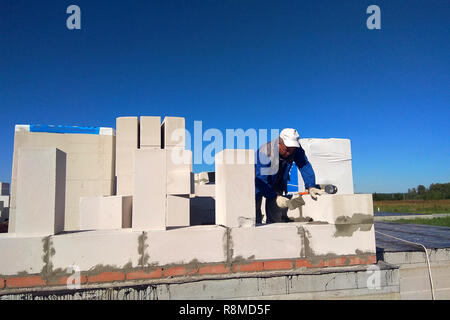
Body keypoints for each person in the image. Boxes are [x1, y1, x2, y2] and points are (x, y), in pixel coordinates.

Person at [254, 128, 323, 224]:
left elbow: (304, 165)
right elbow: (260, 180)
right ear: (279, 143)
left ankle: (274, 232)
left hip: (277, 180)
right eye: (287, 150)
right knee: (254, 210)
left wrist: (311, 185)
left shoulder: (295, 149)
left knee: (276, 213)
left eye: (292, 150)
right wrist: (275, 196)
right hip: (258, 181)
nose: (289, 153)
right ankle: (255, 229)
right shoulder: (265, 153)